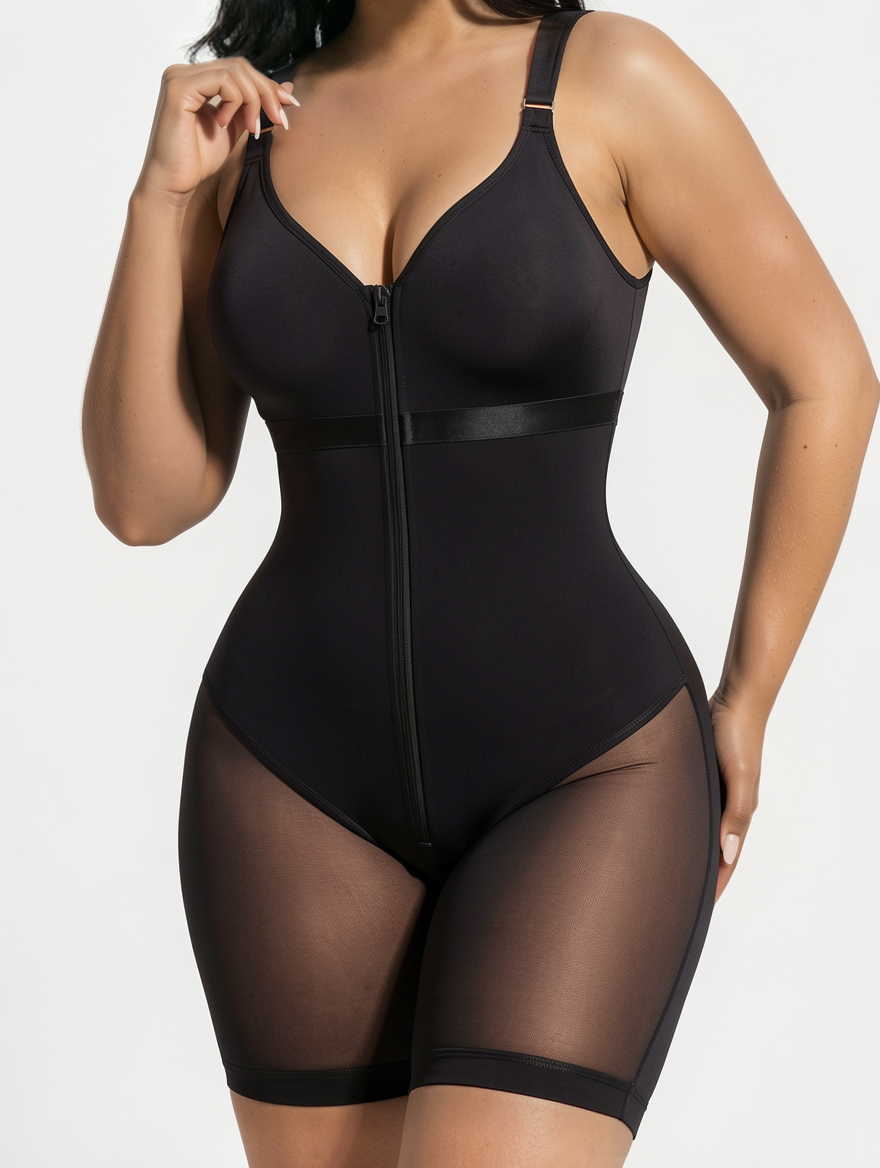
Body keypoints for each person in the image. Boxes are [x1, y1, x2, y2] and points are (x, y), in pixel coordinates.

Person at [80, 1, 878, 1165]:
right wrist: (161, 201)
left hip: (586, 761)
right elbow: (146, 499)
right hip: (288, 774)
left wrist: (748, 696)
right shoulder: (248, 122)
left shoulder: (608, 75)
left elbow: (826, 375)